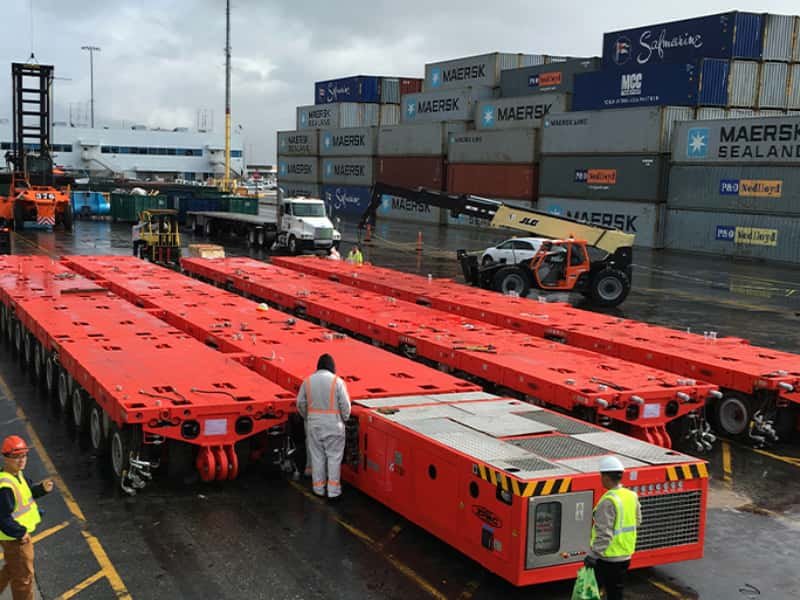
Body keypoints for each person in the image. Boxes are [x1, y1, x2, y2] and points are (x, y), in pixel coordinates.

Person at [0, 435, 55, 600]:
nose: (21, 460)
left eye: (23, 455)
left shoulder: (18, 475)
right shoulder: (5, 486)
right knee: (24, 578)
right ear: (6, 458)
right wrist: (20, 533)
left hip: (15, 536)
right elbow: (2, 518)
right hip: (16, 539)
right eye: (16, 457)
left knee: (13, 568)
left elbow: (27, 493)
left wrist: (41, 489)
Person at [584, 456, 641, 600]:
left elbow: (604, 533)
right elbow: (638, 521)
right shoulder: (631, 496)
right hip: (625, 555)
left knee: (593, 591)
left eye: (601, 475)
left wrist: (593, 555)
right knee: (616, 591)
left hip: (608, 558)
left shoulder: (608, 501)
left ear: (607, 477)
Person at [296, 354, 351, 500]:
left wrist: (307, 416)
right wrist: (344, 419)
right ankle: (333, 491)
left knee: (317, 457)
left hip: (314, 424)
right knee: (334, 457)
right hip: (334, 425)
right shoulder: (337, 382)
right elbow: (346, 406)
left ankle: (318, 488)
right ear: (332, 367)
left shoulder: (307, 381)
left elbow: (300, 403)